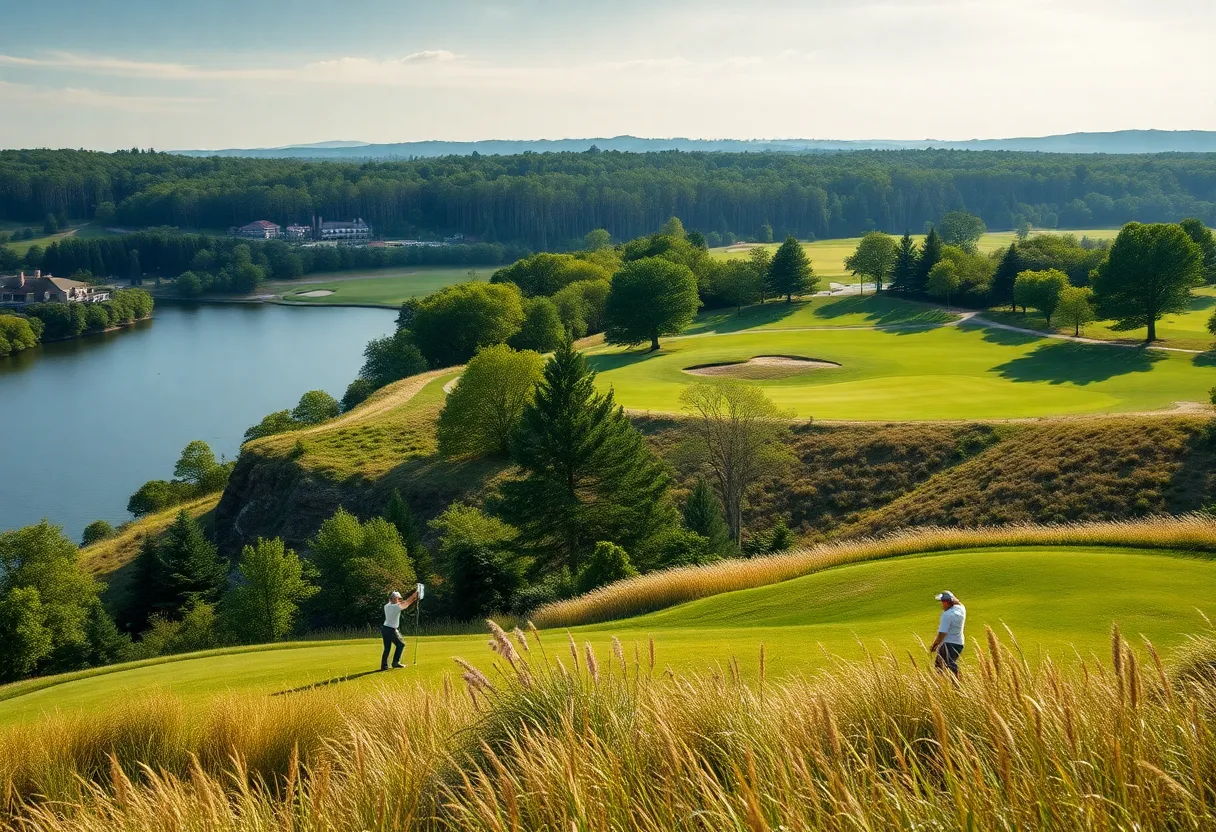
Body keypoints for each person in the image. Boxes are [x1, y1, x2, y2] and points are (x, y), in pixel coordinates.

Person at [929, 590, 966, 676]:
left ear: (946, 602)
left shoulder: (947, 615)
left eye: (942, 602)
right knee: (948, 664)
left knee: (940, 668)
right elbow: (958, 602)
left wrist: (935, 645)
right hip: (959, 644)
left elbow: (942, 634)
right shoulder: (962, 609)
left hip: (948, 645)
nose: (942, 604)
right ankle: (955, 684)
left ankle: (956, 685)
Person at [381, 588, 419, 670]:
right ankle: (395, 662)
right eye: (397, 599)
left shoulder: (386, 606)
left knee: (387, 648)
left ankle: (384, 666)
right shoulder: (396, 607)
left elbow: (403, 602)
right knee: (401, 644)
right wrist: (415, 595)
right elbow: (407, 603)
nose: (398, 600)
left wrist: (414, 596)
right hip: (391, 629)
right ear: (392, 599)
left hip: (384, 628)